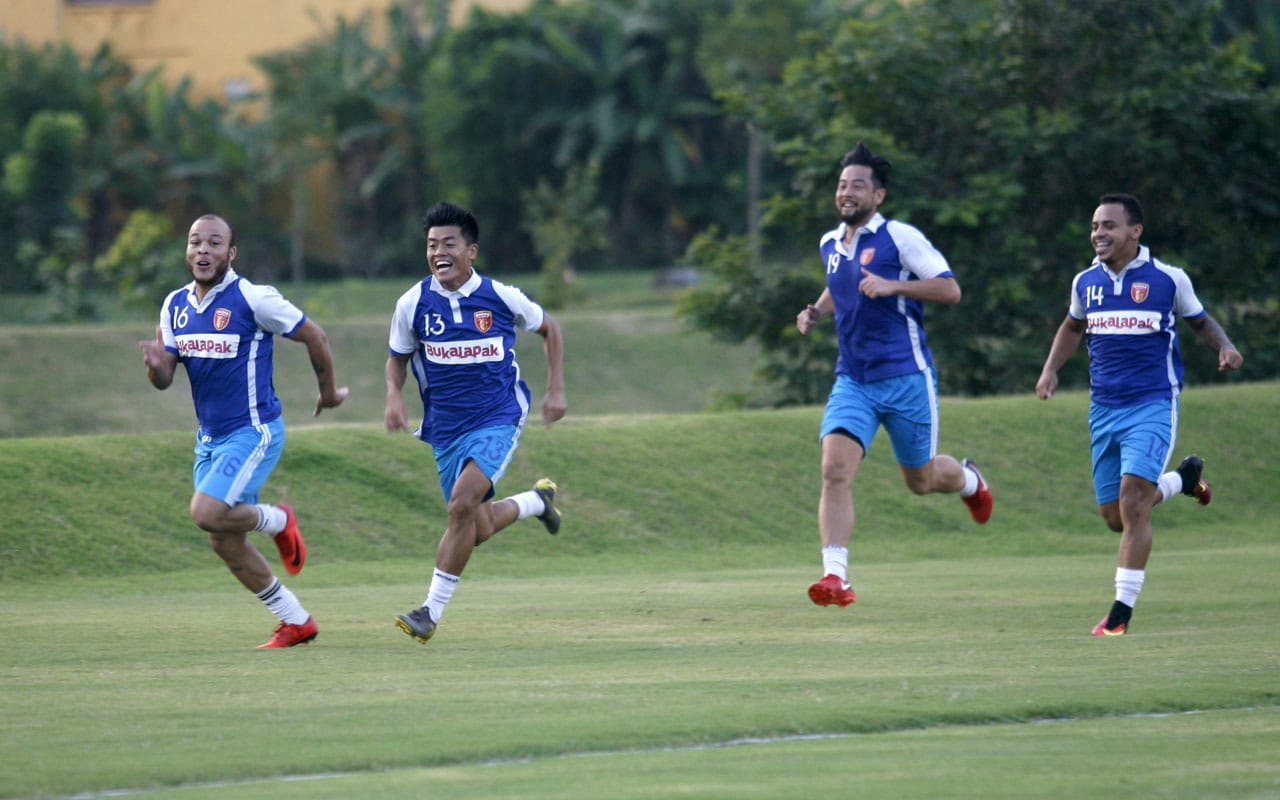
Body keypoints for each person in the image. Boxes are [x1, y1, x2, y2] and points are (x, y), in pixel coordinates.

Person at [795, 142, 993, 609]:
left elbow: (950, 289)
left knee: (920, 481)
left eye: (857, 186)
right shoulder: (830, 242)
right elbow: (838, 283)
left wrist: (894, 285)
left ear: (878, 195)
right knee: (834, 471)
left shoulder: (901, 239)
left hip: (907, 379)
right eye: (842, 185)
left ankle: (968, 480)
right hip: (853, 380)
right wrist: (816, 311)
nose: (847, 193)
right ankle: (835, 576)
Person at [1036, 192, 1243, 636]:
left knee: (1133, 503)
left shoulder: (1168, 279)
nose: (1098, 234)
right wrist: (1051, 370)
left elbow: (1201, 322)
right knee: (1115, 517)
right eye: (1095, 226)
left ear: (1135, 231)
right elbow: (1073, 327)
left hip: (1152, 404)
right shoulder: (1084, 283)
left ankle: (1119, 616)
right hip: (1103, 409)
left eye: (1109, 226)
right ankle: (1182, 480)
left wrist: (1224, 346)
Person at [139, 213, 348, 648]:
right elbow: (164, 380)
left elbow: (315, 335)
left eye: (214, 243)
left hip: (254, 431)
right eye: (195, 241)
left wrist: (328, 393)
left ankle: (278, 519)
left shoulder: (253, 298)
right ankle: (296, 621)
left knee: (204, 512)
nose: (203, 250)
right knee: (222, 538)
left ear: (230, 254)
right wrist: (157, 369)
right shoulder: (174, 304)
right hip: (210, 438)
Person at [385, 201, 566, 645]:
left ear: (471, 251)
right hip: (446, 428)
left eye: (448, 243)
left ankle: (428, 612)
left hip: (499, 414)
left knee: (462, 506)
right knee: (476, 526)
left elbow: (550, 329)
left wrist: (555, 388)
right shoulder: (412, 303)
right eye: (431, 245)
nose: (438, 252)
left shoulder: (501, 297)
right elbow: (397, 361)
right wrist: (393, 395)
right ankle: (536, 503)